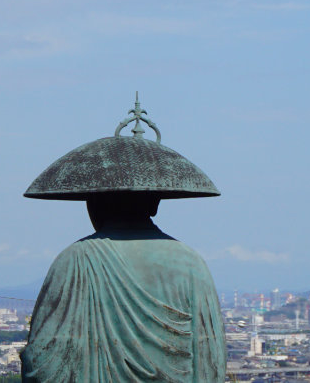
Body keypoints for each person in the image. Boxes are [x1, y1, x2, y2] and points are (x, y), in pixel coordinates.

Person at [21, 100, 225, 383]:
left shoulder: (75, 260)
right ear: (155, 203)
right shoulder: (191, 263)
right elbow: (210, 359)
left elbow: (44, 362)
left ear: (93, 204)